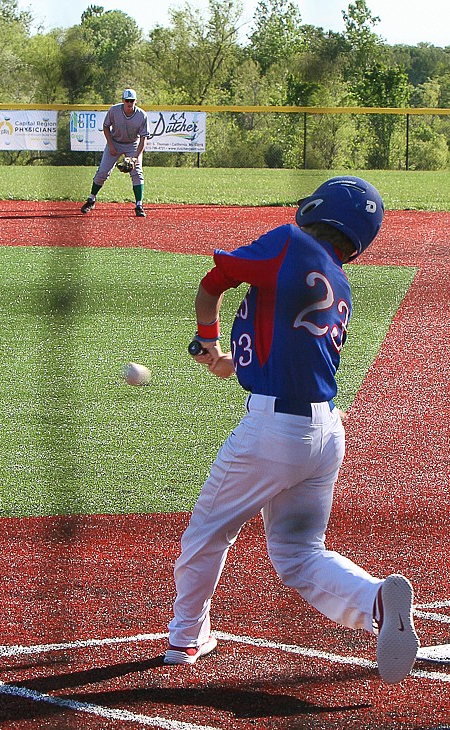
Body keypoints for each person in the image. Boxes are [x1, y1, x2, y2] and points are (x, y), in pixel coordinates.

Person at [164, 176, 420, 685]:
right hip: (325, 433)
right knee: (300, 553)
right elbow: (288, 351)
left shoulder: (288, 241)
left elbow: (214, 280)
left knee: (207, 535)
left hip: (272, 431)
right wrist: (230, 362)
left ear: (319, 209)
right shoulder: (339, 284)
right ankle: (374, 601)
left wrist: (205, 336)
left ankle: (185, 636)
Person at [81, 88, 149, 218]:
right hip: (115, 142)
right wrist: (111, 145)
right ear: (123, 101)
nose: (129, 103)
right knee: (102, 172)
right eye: (127, 100)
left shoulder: (142, 115)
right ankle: (91, 199)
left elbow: (143, 138)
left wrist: (135, 157)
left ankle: (139, 205)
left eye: (132, 101)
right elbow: (106, 126)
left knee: (137, 172)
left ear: (135, 101)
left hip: (132, 145)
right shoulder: (114, 110)